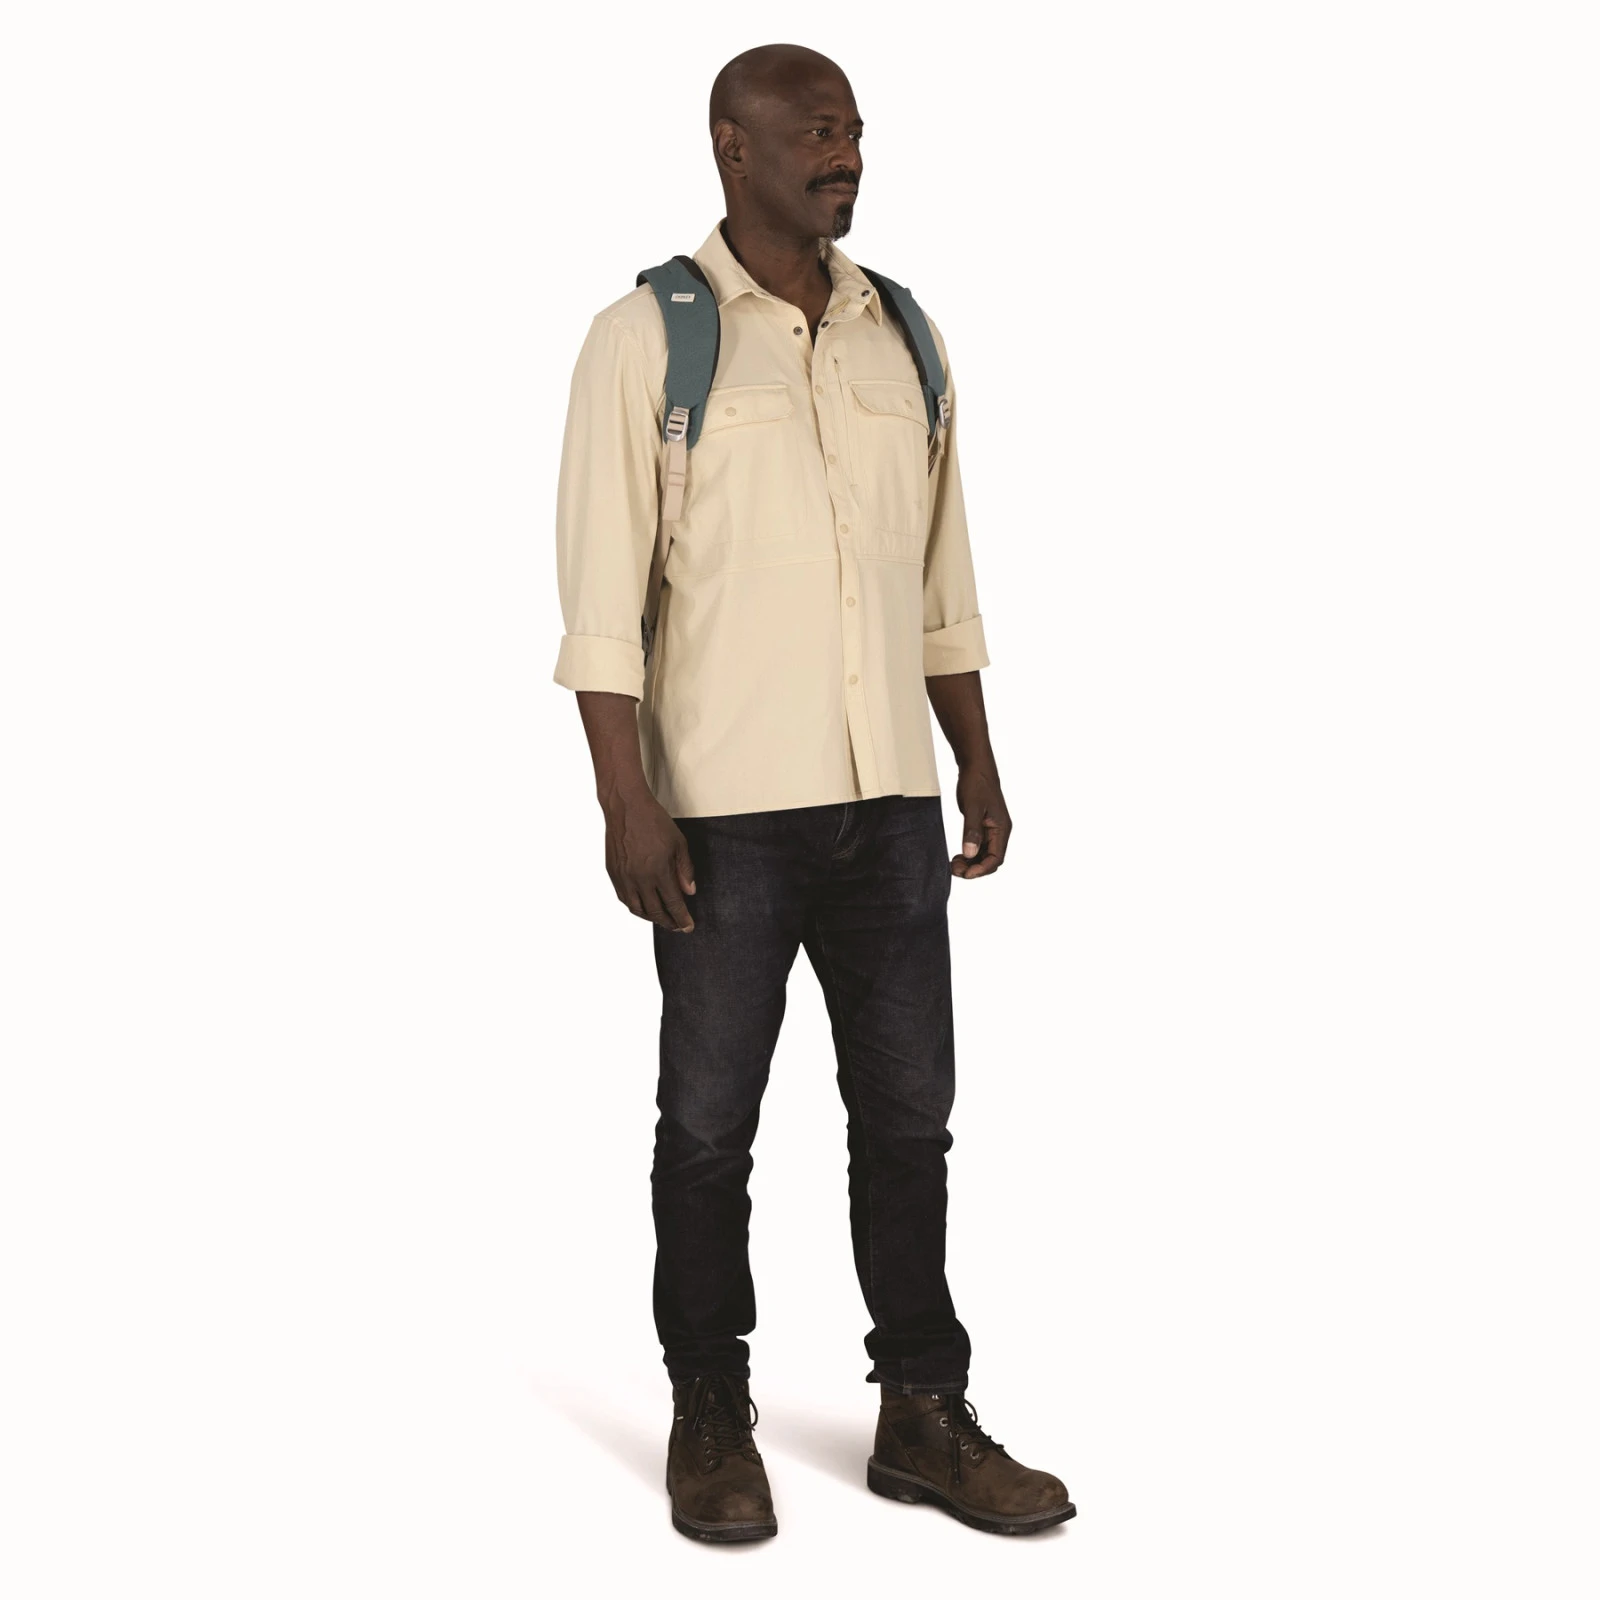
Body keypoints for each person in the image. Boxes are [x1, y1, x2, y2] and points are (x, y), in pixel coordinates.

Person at [551, 42, 1074, 1542]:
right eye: (815, 132)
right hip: (723, 812)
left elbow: (939, 578)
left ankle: (923, 1413)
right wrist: (625, 802)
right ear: (734, 146)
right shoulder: (645, 341)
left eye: (854, 130)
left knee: (911, 1122)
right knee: (708, 1128)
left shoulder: (902, 333)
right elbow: (602, 598)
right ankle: (710, 1411)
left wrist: (975, 758)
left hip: (890, 805)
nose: (844, 154)